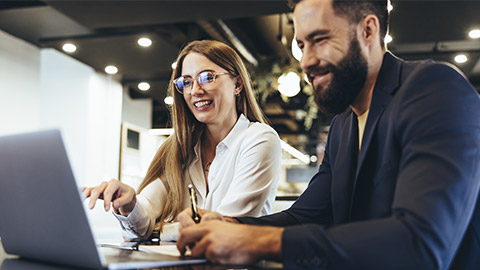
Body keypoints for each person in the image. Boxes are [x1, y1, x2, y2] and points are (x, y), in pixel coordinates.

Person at [176, 0, 480, 269]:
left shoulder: (434, 88)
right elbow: (307, 215)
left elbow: (422, 243)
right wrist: (229, 223)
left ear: (369, 30)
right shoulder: (343, 124)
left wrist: (260, 242)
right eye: (301, 45)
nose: (306, 61)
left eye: (319, 40)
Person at [83, 40, 282, 241]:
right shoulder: (180, 149)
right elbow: (144, 215)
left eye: (207, 77)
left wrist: (157, 231)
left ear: (237, 84)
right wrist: (129, 204)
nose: (195, 90)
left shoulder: (260, 139)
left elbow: (224, 227)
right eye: (186, 82)